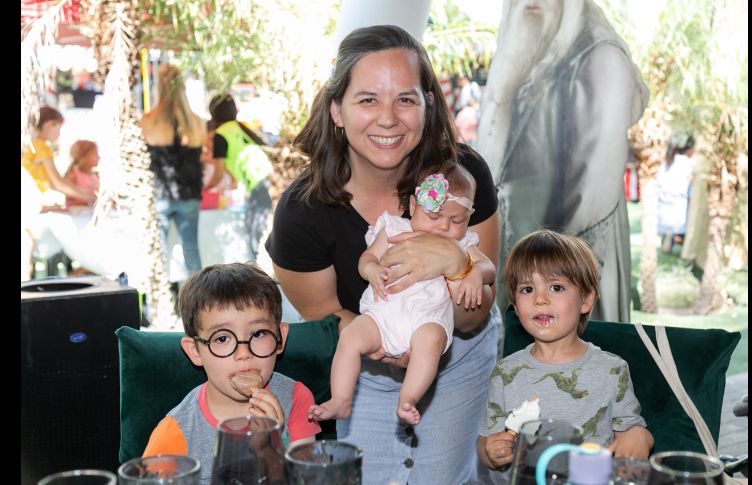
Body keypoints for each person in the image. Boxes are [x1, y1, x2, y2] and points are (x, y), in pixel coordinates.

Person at [266, 24, 501, 484]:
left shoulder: (463, 177)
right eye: (368, 99)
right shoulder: (301, 214)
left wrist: (458, 263)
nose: (388, 119)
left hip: (459, 357)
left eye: (406, 99)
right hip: (364, 369)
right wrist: (384, 345)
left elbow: (473, 318)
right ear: (337, 110)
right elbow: (332, 322)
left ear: (428, 105)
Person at [476, 0, 649, 322]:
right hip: (521, 277)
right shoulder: (530, 52)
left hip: (569, 280)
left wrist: (553, 288)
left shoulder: (602, 56)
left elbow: (592, 199)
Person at [310, 166, 496, 426]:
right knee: (351, 336)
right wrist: (372, 269)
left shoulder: (463, 243)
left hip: (426, 318)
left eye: (457, 221)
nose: (444, 226)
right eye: (434, 216)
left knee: (430, 342)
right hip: (383, 314)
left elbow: (488, 267)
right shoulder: (394, 228)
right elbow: (368, 258)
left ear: (468, 217)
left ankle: (408, 398)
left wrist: (475, 274)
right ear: (412, 204)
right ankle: (340, 399)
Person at [477, 229, 653, 482]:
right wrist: (489, 451)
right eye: (527, 289)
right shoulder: (505, 373)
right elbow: (486, 444)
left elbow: (632, 431)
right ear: (515, 306)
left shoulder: (611, 370)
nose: (540, 299)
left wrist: (639, 436)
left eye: (556, 287)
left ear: (586, 299)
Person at [143, 262, 320, 482]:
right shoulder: (176, 432)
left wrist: (267, 448)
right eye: (223, 338)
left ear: (280, 338)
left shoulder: (296, 400)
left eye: (258, 334)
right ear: (195, 351)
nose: (243, 353)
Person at [139, 64, 207, 276]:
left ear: (158, 86)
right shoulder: (196, 122)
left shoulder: (149, 120)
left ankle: (161, 303)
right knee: (192, 250)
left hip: (159, 193)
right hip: (190, 193)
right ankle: (199, 304)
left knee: (159, 254)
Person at [207, 93, 273, 259]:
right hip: (265, 180)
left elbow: (218, 173)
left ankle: (257, 278)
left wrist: (203, 188)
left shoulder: (220, 135)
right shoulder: (237, 127)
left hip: (258, 185)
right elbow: (232, 161)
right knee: (255, 236)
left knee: (254, 240)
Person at [22, 106, 97, 207]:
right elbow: (58, 183)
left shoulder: (31, 145)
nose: (59, 134)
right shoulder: (40, 146)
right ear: (49, 125)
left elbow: (53, 183)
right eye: (59, 128)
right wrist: (91, 197)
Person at [657, 132, 695, 254]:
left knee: (669, 226)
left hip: (665, 200)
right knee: (678, 225)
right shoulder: (686, 162)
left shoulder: (667, 160)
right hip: (679, 202)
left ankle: (669, 238)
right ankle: (675, 239)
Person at [64, 139, 100, 209]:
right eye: (95, 154)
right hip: (78, 215)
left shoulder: (95, 175)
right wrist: (89, 198)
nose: (98, 157)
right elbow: (69, 199)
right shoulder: (73, 174)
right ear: (85, 156)